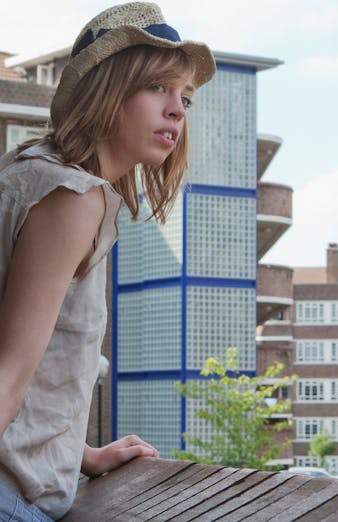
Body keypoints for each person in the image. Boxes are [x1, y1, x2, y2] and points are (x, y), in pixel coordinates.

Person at [0, 3, 215, 520]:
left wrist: (79, 453)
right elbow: (8, 373)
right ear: (107, 90)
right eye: (157, 87)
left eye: (184, 97)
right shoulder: (74, 196)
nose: (178, 110)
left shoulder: (34, 171)